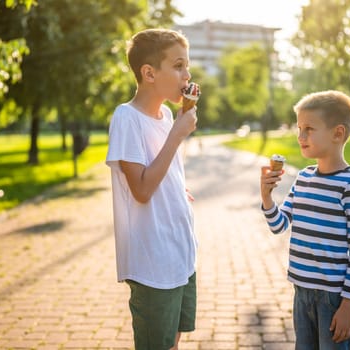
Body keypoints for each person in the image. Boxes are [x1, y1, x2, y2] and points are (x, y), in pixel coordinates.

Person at [105, 28, 198, 350]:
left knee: (173, 340)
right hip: (153, 260)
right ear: (149, 73)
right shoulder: (126, 118)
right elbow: (141, 191)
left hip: (180, 251)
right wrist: (177, 134)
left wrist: (177, 190)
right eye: (178, 65)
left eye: (186, 67)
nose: (187, 75)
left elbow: (161, 170)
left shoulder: (167, 115)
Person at [260, 90, 350, 349]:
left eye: (309, 128)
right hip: (301, 292)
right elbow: (280, 225)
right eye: (299, 128)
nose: (300, 137)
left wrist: (348, 305)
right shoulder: (304, 177)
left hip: (335, 298)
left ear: (338, 133)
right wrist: (267, 198)